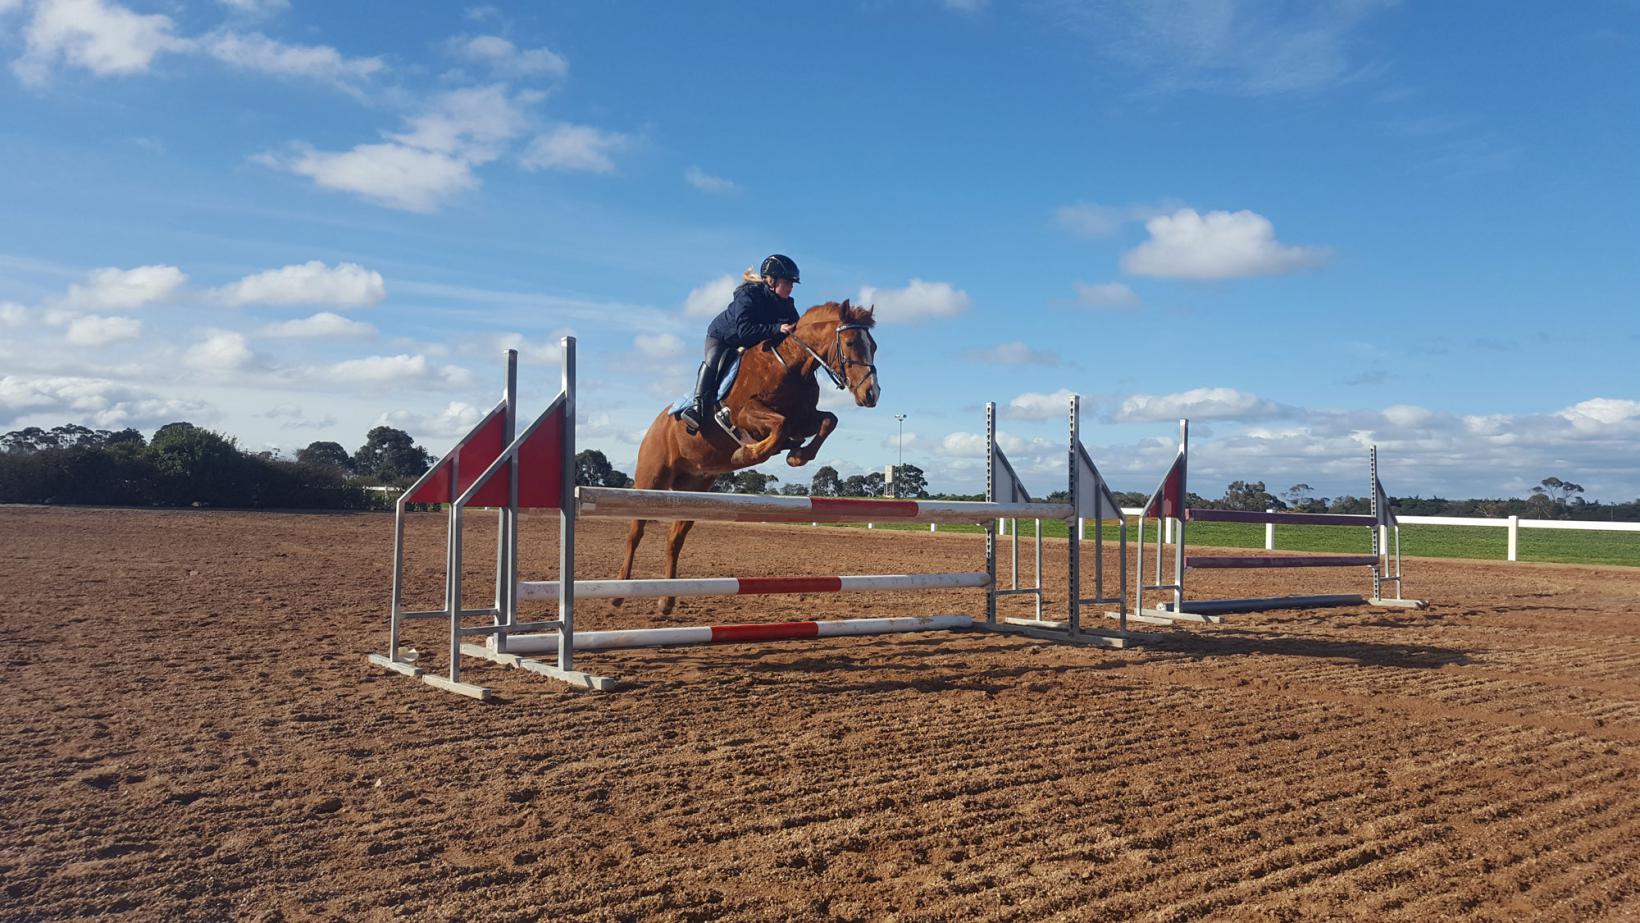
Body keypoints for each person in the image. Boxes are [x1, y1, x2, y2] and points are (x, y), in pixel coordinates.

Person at [679, 253, 801, 433]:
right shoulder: (748, 295)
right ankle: (697, 407)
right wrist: (776, 329)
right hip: (723, 338)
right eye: (787, 281)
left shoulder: (788, 305)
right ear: (771, 280)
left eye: (792, 283)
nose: (790, 286)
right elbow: (745, 332)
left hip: (753, 344)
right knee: (714, 361)